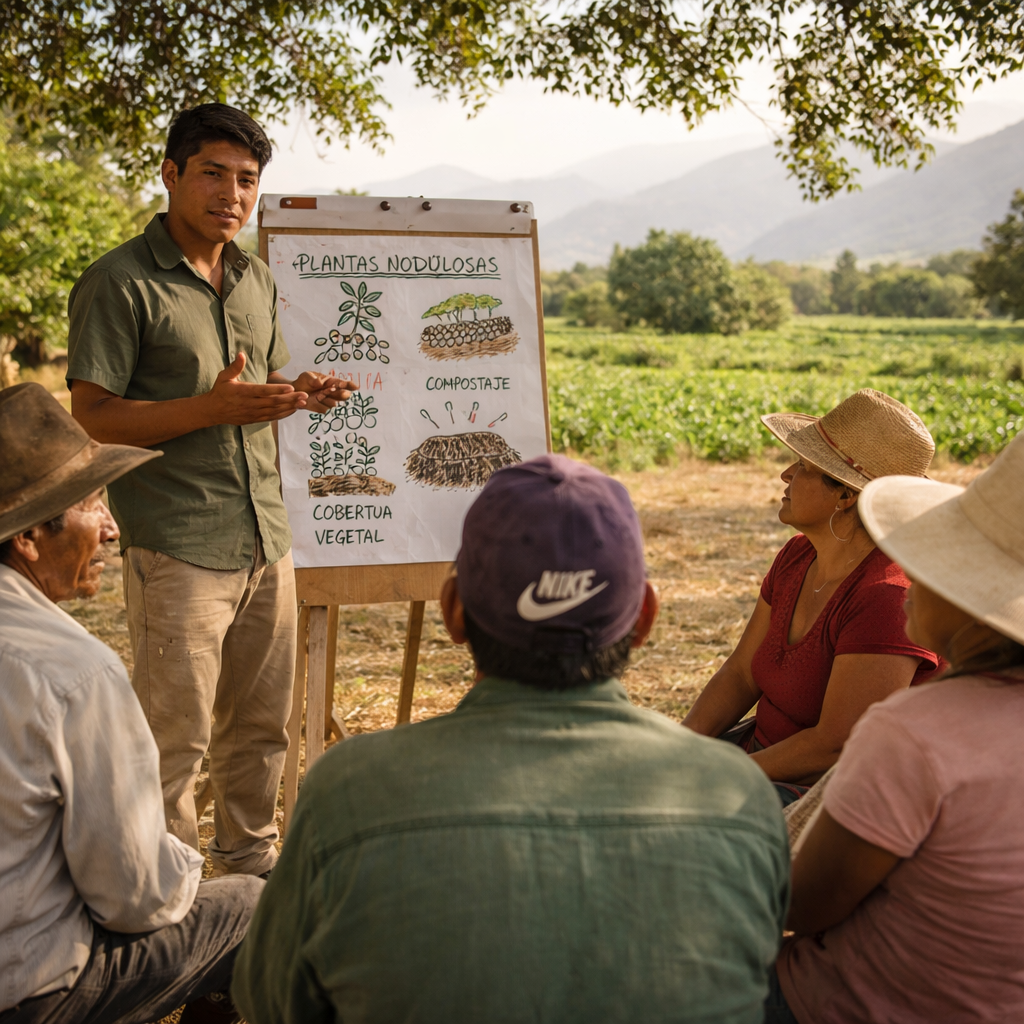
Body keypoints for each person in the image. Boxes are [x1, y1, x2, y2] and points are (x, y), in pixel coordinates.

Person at [232, 454, 790, 1023]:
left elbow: (272, 1002)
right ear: (644, 619)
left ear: (453, 613)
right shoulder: (739, 795)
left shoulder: (348, 792)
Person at [65, 103, 357, 877]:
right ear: (171, 174)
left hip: (266, 536)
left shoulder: (254, 278)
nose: (232, 194)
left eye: (248, 180)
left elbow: (260, 382)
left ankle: (247, 882)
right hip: (180, 543)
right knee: (175, 736)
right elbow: (90, 419)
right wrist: (211, 408)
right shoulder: (119, 283)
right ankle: (166, 904)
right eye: (214, 174)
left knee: (262, 726)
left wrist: (303, 389)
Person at [0, 382, 262, 1024]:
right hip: (28, 992)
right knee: (253, 907)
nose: (113, 529)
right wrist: (190, 870)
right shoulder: (72, 673)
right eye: (94, 504)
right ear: (31, 537)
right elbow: (136, 898)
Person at [766, 428, 1024, 1024]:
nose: (907, 569)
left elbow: (803, 904)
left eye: (938, 559)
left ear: (975, 600)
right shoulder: (797, 560)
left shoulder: (915, 732)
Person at [683, 389, 940, 802]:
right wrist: (681, 752)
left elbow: (834, 746)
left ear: (846, 495)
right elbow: (741, 673)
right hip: (757, 763)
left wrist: (715, 775)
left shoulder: (886, 596)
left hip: (820, 794)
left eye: (803, 466)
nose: (786, 475)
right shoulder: (798, 556)